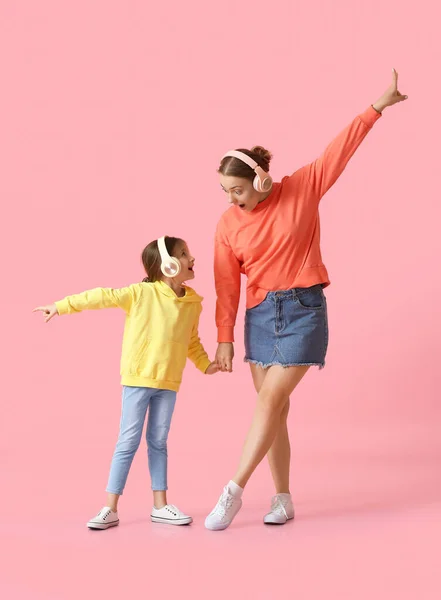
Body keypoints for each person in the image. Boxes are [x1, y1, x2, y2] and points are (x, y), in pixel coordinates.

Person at [205, 69, 408, 530]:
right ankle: (282, 499)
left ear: (259, 180)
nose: (232, 199)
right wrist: (223, 339)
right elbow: (226, 284)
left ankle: (232, 490)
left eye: (237, 189)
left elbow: (340, 149)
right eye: (225, 191)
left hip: (302, 311)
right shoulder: (226, 225)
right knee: (274, 409)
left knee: (270, 400)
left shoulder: (303, 187)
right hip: (258, 315)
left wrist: (375, 107)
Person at [34, 236, 218, 529]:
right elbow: (101, 296)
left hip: (169, 383)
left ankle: (160, 505)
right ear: (168, 264)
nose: (192, 258)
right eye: (184, 254)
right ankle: (110, 508)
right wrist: (61, 306)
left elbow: (191, 342)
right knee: (128, 441)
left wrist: (207, 365)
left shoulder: (193, 304)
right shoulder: (140, 294)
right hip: (138, 379)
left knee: (158, 442)